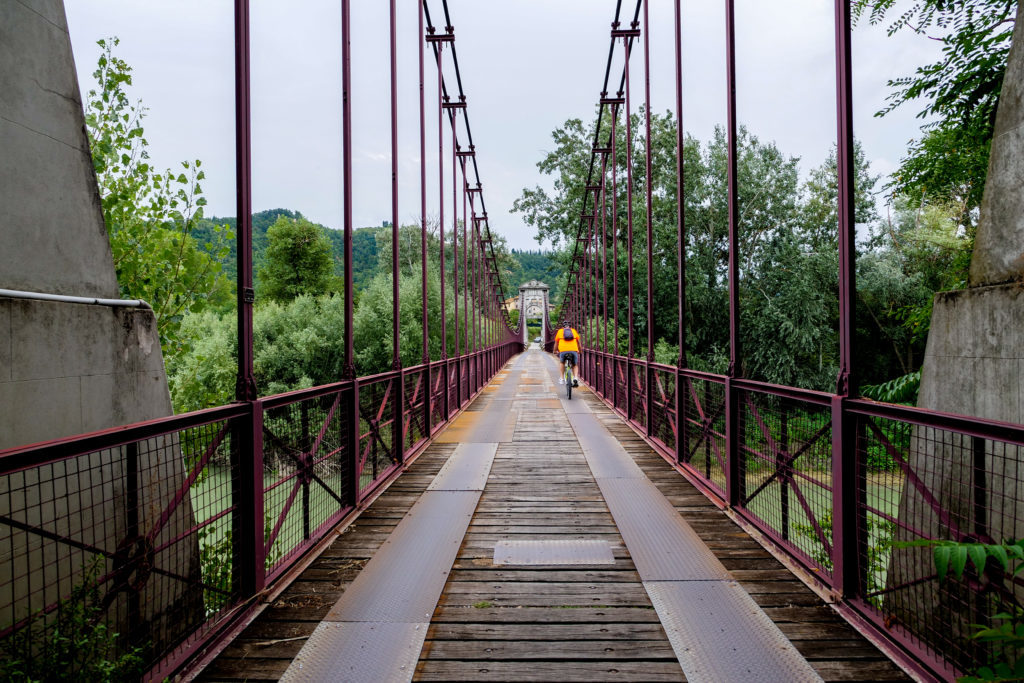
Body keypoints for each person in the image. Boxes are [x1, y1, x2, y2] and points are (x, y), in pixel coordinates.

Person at [554, 321, 581, 385]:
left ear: (563, 326)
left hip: (563, 350)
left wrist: (555, 351)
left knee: (562, 362)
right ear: (570, 326)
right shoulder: (574, 331)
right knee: (574, 364)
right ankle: (575, 378)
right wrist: (580, 350)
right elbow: (579, 343)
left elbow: (556, 343)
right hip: (573, 350)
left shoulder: (560, 331)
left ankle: (562, 378)